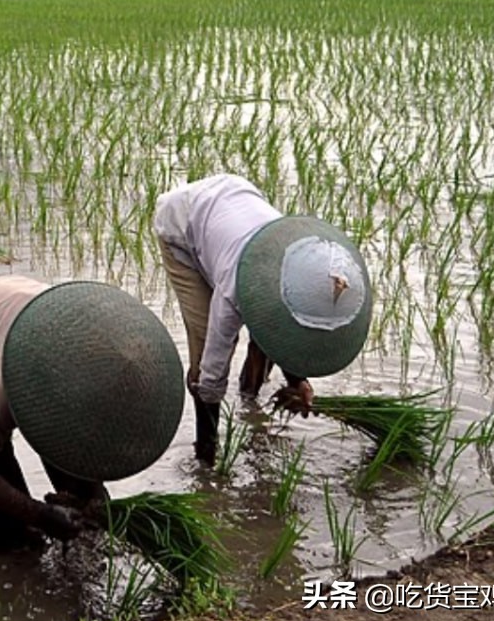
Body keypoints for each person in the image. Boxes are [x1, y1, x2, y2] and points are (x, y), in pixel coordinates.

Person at [0, 275, 185, 553]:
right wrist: (38, 514)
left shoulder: (108, 353)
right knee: (0, 479)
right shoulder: (4, 386)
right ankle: (13, 555)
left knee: (81, 482)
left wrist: (96, 504)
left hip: (16, 302)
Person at [154, 173, 372, 466]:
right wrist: (210, 465)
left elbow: (289, 325)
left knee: (266, 334)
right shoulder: (233, 292)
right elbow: (212, 373)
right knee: (206, 345)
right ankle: (204, 453)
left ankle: (249, 396)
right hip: (182, 224)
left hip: (236, 197)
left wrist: (298, 381)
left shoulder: (302, 262)